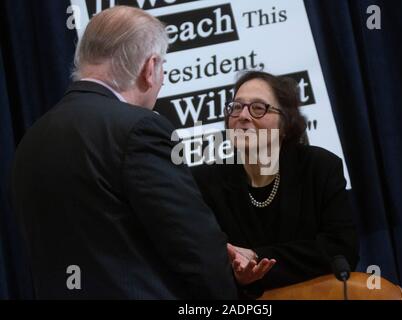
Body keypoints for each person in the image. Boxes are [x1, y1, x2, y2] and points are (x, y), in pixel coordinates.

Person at [11, 6, 237, 299]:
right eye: (163, 66)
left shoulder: (33, 138)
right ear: (150, 67)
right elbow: (196, 250)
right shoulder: (140, 129)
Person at [192, 71, 359, 298]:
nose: (243, 115)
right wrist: (238, 273)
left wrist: (255, 257)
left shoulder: (319, 168)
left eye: (258, 108)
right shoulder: (205, 182)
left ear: (285, 123)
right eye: (236, 107)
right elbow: (202, 259)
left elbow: (341, 249)